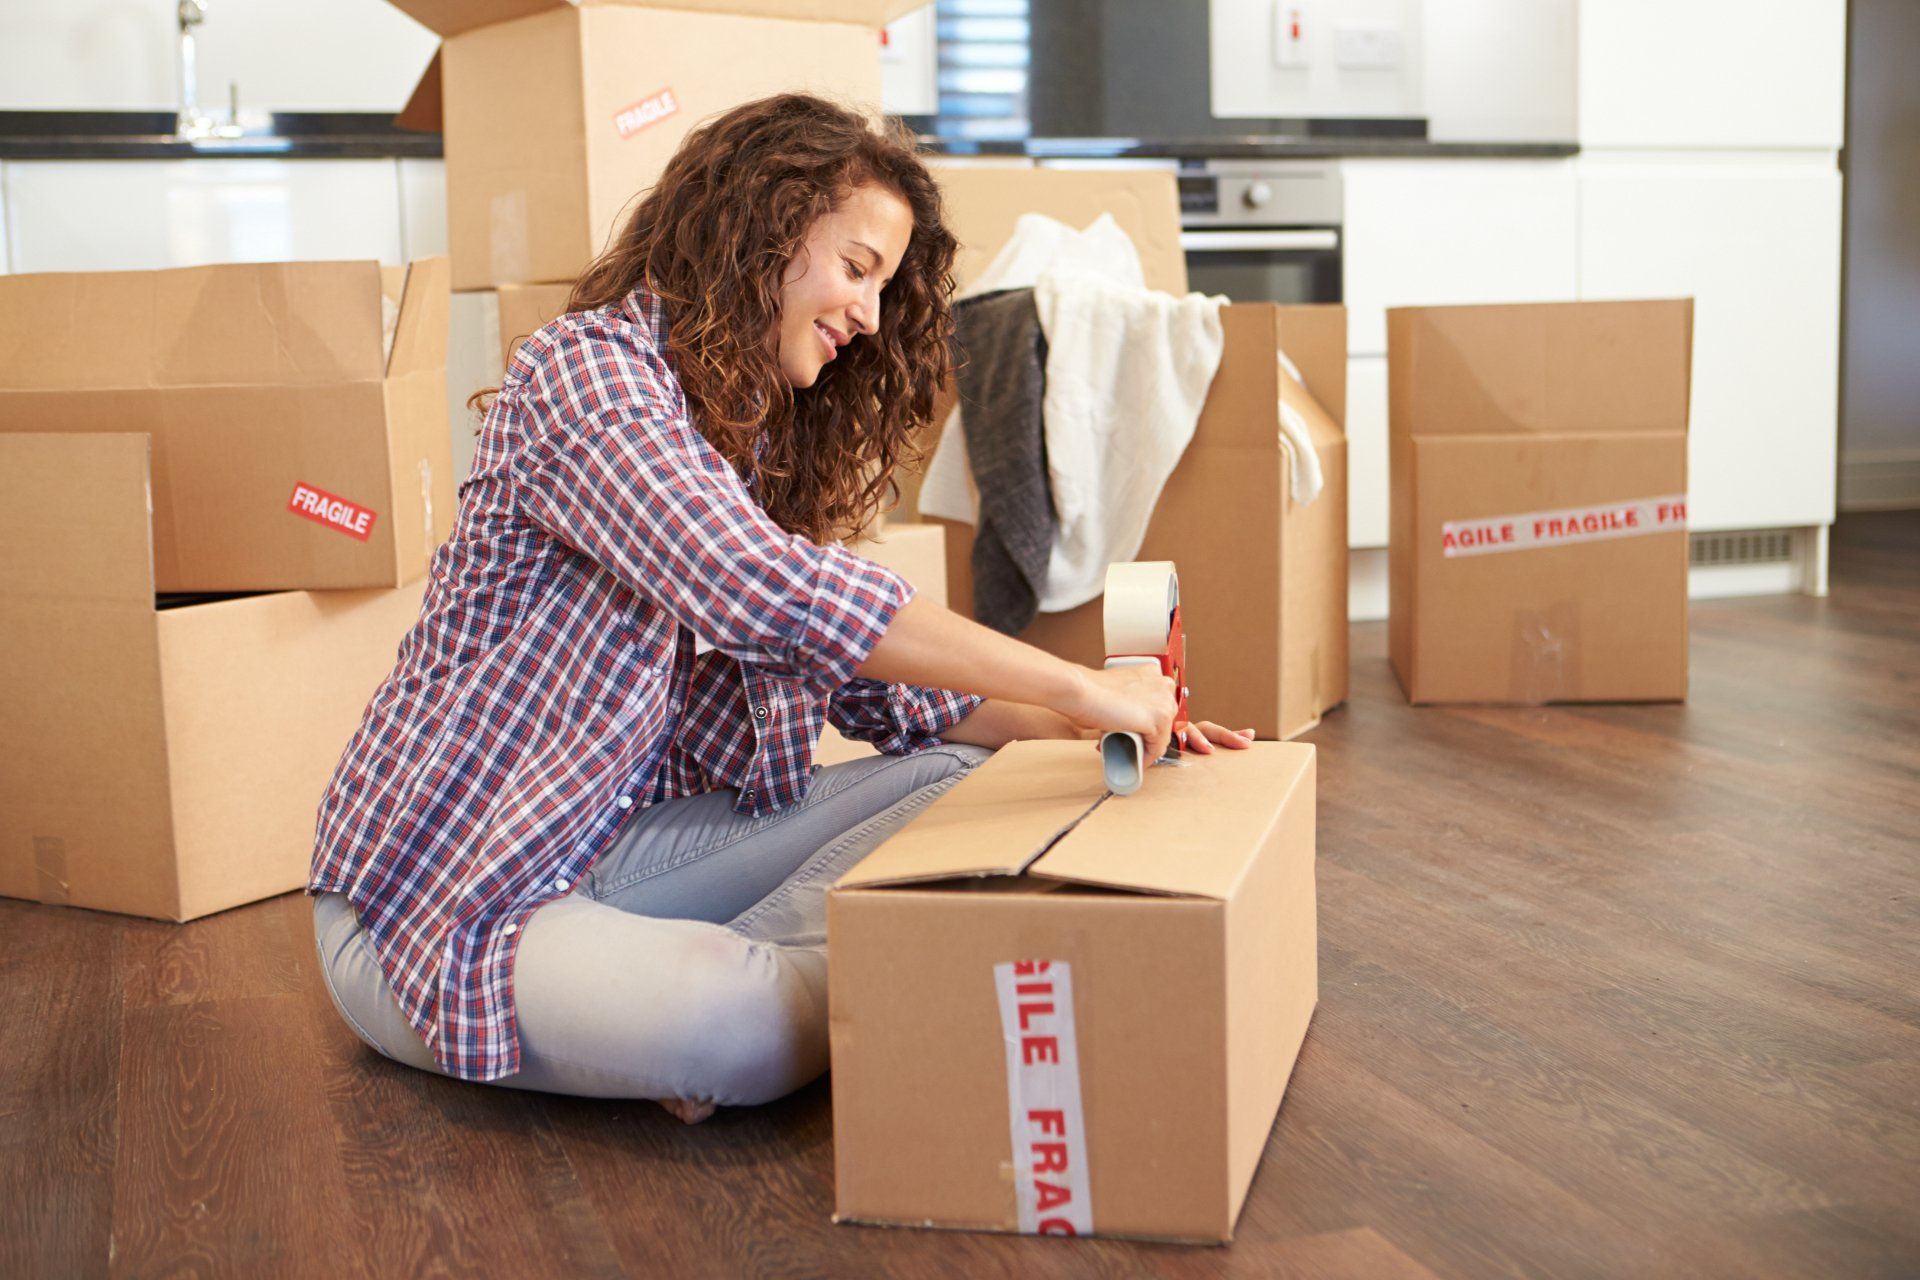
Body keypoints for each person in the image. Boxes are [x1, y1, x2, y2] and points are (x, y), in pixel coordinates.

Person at [308, 93, 1255, 1125]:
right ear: (761, 229)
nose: (870, 315)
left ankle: (774, 979)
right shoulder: (584, 375)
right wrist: (1070, 675)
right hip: (450, 894)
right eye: (857, 270)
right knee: (741, 1024)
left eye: (885, 289)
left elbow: (902, 699)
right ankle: (784, 988)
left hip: (613, 849)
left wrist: (1103, 727)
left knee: (963, 775)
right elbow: (755, 584)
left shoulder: (745, 447)